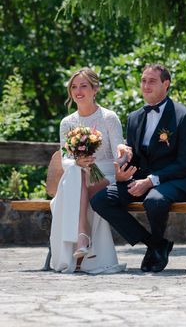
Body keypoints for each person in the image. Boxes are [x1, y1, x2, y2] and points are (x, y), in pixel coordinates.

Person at [91, 63, 186, 273]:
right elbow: (134, 159)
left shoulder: (185, 116)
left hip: (177, 181)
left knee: (154, 200)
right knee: (101, 199)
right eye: (143, 81)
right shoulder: (134, 117)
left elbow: (185, 164)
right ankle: (155, 244)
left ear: (165, 84)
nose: (146, 85)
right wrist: (122, 174)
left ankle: (156, 247)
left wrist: (151, 181)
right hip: (142, 180)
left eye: (152, 81)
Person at [50, 67, 126, 274]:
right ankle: (83, 238)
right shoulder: (67, 122)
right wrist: (78, 163)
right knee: (77, 173)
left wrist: (122, 155)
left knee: (78, 179)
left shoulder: (109, 117)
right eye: (74, 87)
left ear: (95, 89)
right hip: (78, 173)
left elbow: (119, 151)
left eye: (84, 86)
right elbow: (65, 157)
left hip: (106, 176)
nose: (78, 91)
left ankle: (82, 239)